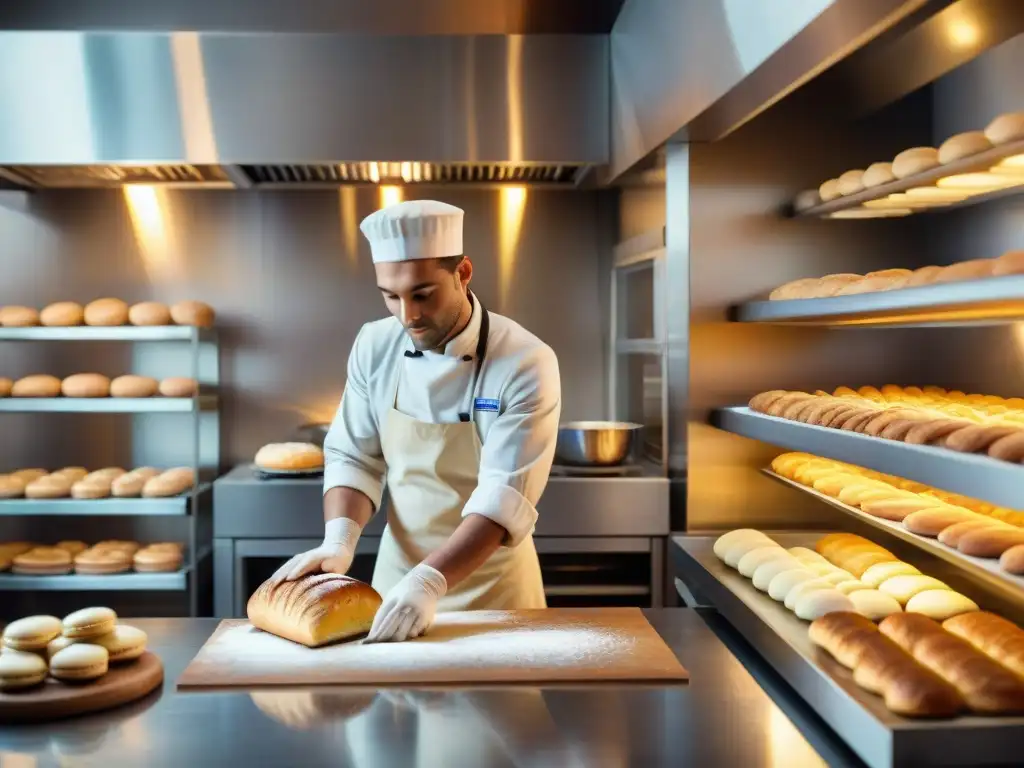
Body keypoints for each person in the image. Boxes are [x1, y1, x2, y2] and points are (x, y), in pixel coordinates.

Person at [271, 200, 561, 642]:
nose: (408, 315)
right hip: (396, 587)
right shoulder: (374, 344)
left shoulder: (524, 362)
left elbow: (502, 500)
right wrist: (339, 539)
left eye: (422, 293)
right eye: (391, 296)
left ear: (463, 273)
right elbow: (355, 454)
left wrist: (430, 582)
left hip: (496, 596)